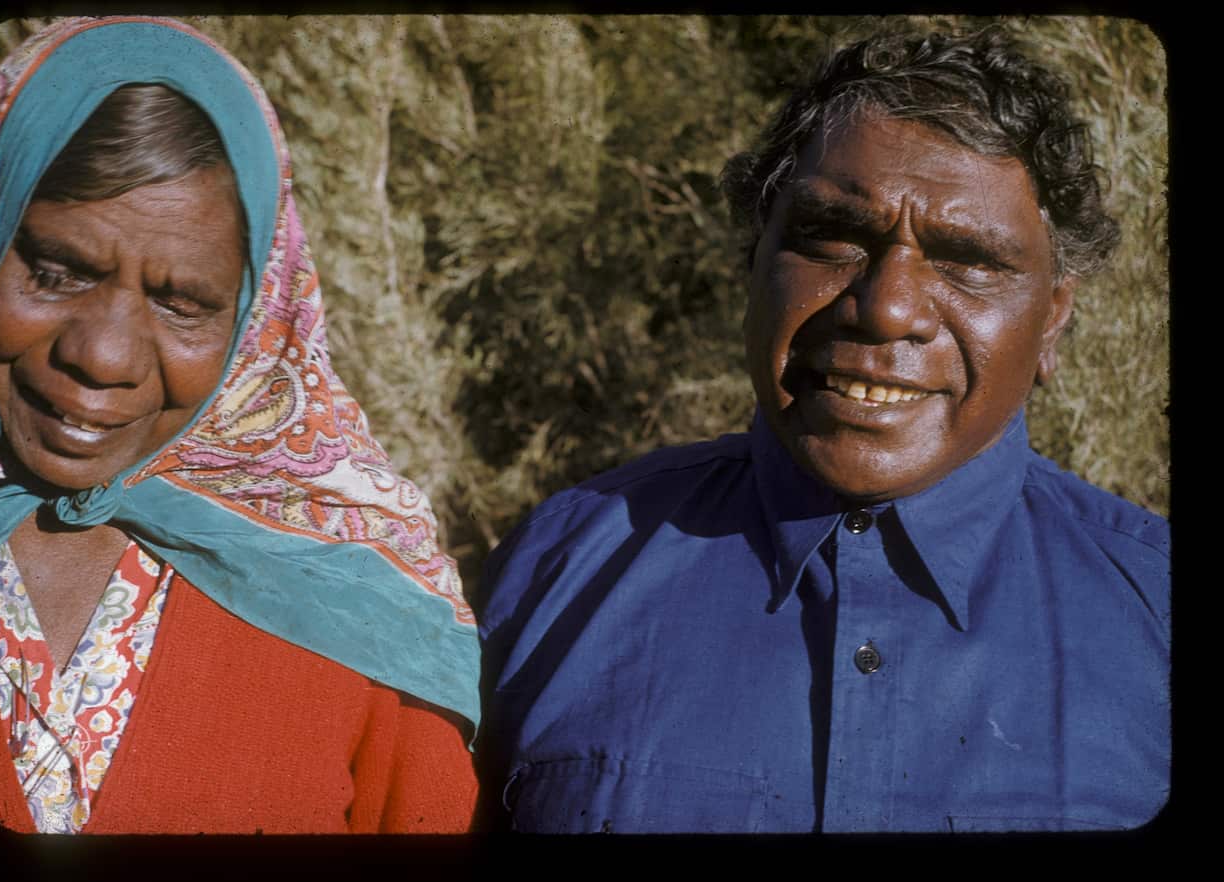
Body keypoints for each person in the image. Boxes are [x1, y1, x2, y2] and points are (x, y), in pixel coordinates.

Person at [476, 26, 1169, 833]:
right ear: (754, 264)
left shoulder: (1155, 614)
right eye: (833, 238)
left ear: (1052, 320)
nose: (887, 308)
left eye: (967, 260)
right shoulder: (557, 570)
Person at [0, 17, 479, 834]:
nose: (103, 356)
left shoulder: (357, 598)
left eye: (182, 305)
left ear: (257, 320)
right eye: (56, 272)